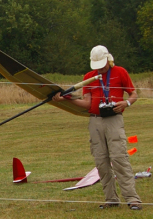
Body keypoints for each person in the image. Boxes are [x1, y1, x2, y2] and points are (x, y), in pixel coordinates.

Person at [53, 46, 141, 210]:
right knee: (101, 161)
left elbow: (133, 94)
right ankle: (111, 199)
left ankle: (132, 198)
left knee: (119, 158)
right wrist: (67, 99)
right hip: (95, 121)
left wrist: (126, 103)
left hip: (114, 119)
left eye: (102, 64)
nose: (100, 67)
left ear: (108, 59)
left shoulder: (120, 72)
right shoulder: (89, 77)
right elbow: (86, 103)